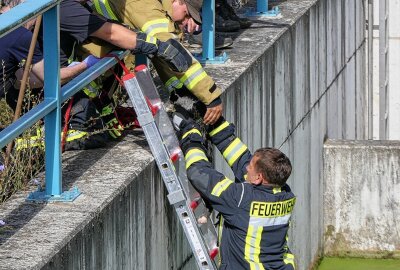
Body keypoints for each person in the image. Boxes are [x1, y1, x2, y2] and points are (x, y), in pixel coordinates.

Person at [173, 112, 296, 269]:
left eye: (250, 167)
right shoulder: (285, 193)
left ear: (259, 178)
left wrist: (190, 133)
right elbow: (241, 159)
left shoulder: (240, 198)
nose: (246, 167)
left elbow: (198, 172)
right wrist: (216, 124)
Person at [92, 0, 224, 125]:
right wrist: (211, 95)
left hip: (99, 39)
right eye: (187, 15)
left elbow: (162, 55)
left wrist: (181, 92)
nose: (186, 23)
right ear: (177, 1)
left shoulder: (158, 7)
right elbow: (170, 50)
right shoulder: (147, 7)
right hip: (90, 48)